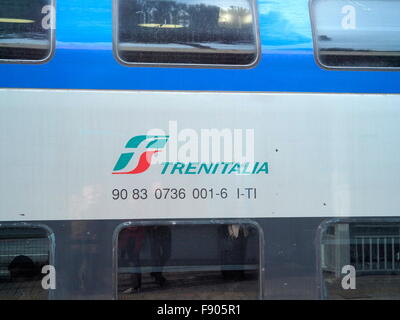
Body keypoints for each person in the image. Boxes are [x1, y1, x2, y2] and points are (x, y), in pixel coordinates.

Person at [119, 227, 145, 293]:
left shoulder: (130, 229)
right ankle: (137, 286)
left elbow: (131, 228)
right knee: (135, 265)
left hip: (131, 241)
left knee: (134, 265)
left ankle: (135, 286)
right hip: (132, 241)